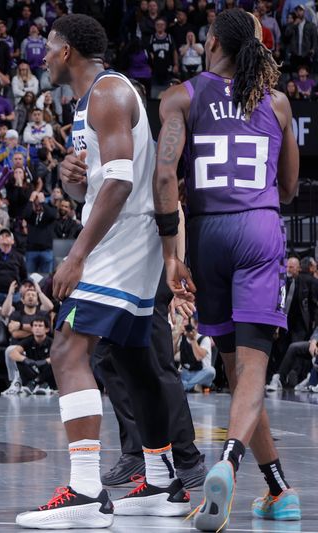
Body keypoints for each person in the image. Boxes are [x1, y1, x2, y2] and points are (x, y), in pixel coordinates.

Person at [16, 16, 186, 529]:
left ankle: (86, 491)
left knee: (67, 348)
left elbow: (118, 183)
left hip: (121, 239)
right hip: (128, 238)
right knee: (133, 361)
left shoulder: (109, 93)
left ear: (67, 52)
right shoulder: (90, 102)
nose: (41, 56)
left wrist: (77, 255)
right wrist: (72, 181)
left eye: (48, 48)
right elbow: (98, 184)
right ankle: (162, 481)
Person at [153, 9, 301, 530]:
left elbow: (165, 176)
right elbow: (287, 190)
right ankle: (230, 463)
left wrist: (173, 252)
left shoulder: (181, 96)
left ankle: (280, 490)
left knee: (237, 372)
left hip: (208, 232)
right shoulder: (278, 103)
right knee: (253, 372)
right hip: (258, 230)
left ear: (211, 41)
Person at [6, 318, 56, 395]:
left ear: (47, 329)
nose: (37, 328)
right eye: (35, 326)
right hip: (33, 368)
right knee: (20, 360)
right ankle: (39, 384)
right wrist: (26, 360)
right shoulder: (28, 340)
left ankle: (35, 384)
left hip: (46, 371)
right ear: (32, 329)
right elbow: (13, 353)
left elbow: (60, 356)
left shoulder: (51, 342)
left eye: (40, 326)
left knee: (54, 364)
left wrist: (46, 361)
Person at [174, 317, 215, 392]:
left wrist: (193, 340)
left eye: (189, 325)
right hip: (186, 372)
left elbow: (199, 357)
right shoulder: (182, 337)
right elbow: (173, 354)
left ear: (196, 325)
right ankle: (193, 386)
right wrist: (177, 335)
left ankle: (185, 386)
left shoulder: (204, 338)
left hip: (201, 373)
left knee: (211, 371)